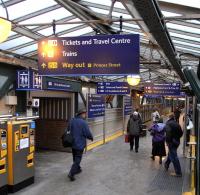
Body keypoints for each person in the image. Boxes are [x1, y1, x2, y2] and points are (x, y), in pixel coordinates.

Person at [68, 109, 93, 181]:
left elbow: (68, 130)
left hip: (72, 143)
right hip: (80, 143)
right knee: (78, 158)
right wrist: (91, 137)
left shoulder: (72, 121)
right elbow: (87, 133)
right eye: (85, 114)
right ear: (81, 114)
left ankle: (77, 169)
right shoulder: (83, 122)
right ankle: (71, 173)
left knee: (75, 157)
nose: (85, 115)